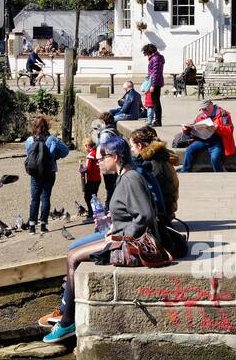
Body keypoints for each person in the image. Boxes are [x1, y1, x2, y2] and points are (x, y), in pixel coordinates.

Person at [43, 135, 160, 343]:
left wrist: (121, 235)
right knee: (72, 253)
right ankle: (66, 313)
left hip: (132, 244)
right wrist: (113, 225)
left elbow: (146, 215)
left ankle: (67, 320)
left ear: (115, 157)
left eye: (101, 158)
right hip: (122, 236)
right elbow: (130, 212)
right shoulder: (124, 176)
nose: (98, 162)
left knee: (73, 258)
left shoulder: (131, 178)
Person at [23, 115, 69, 231]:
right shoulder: (52, 139)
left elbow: (29, 156)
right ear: (46, 126)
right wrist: (54, 155)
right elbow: (65, 152)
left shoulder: (29, 140)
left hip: (35, 173)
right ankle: (43, 225)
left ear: (34, 126)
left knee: (34, 199)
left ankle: (32, 226)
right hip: (49, 171)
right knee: (45, 197)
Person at [129, 125, 179, 222]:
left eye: (132, 146)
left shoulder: (152, 164)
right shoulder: (160, 156)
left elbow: (153, 194)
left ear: (139, 146)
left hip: (163, 212)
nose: (131, 150)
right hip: (169, 207)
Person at [180, 98, 235, 173]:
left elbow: (229, 131)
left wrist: (218, 128)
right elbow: (194, 128)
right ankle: (184, 172)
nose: (203, 111)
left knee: (215, 158)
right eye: (202, 109)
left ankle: (220, 174)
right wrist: (186, 129)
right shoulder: (201, 115)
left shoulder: (223, 114)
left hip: (216, 141)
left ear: (211, 105)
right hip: (203, 139)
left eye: (205, 109)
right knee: (189, 150)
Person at [93, 112, 119, 201]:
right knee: (113, 185)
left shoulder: (105, 134)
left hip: (107, 164)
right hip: (114, 161)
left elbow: (102, 149)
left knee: (109, 186)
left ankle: (109, 206)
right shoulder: (114, 131)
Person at [143, 43, 165, 126]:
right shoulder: (157, 57)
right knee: (156, 102)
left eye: (146, 53)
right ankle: (157, 120)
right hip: (156, 82)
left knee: (156, 102)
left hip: (155, 83)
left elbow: (155, 73)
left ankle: (158, 121)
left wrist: (152, 85)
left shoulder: (155, 59)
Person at [80, 136, 101, 215]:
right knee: (94, 196)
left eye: (85, 146)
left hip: (91, 179)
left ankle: (92, 212)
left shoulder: (90, 156)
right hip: (97, 178)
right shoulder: (96, 152)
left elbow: (88, 169)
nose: (85, 149)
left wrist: (81, 169)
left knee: (88, 197)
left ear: (88, 146)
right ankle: (96, 211)